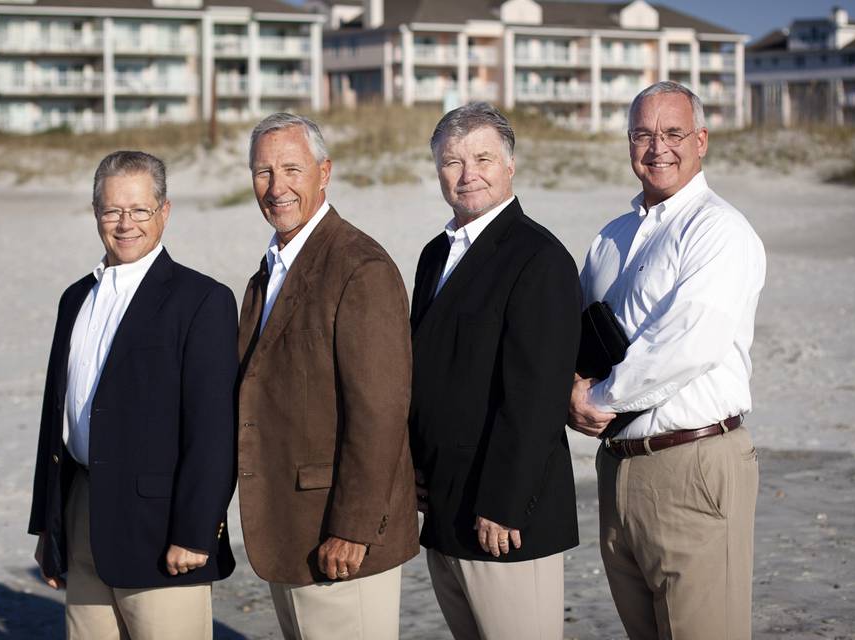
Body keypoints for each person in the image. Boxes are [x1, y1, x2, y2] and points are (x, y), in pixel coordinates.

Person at [569, 81, 766, 640]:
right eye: (643, 134)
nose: (658, 147)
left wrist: (596, 400)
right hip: (617, 467)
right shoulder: (611, 238)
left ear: (701, 140)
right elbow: (577, 332)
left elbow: (687, 343)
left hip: (695, 464)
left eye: (674, 132)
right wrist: (568, 388)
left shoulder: (718, 230)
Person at [28, 150, 238, 639]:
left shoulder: (202, 300)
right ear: (96, 212)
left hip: (162, 530)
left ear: (164, 212)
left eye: (139, 210)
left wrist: (195, 532)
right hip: (80, 516)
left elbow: (213, 430)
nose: (125, 224)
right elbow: (52, 417)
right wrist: (47, 525)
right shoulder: (74, 297)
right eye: (112, 211)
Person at [236, 113, 419, 640]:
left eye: (291, 169)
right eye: (263, 172)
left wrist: (352, 529)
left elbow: (381, 412)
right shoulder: (269, 270)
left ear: (324, 172)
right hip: (287, 526)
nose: (276, 187)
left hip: (339, 540)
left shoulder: (360, 267)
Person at [408, 102, 582, 639]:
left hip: (506, 518)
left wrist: (505, 505)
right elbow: (428, 373)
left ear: (510, 165)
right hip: (444, 508)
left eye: (483, 158)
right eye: (451, 162)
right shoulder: (435, 254)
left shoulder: (539, 258)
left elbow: (536, 397)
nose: (467, 174)